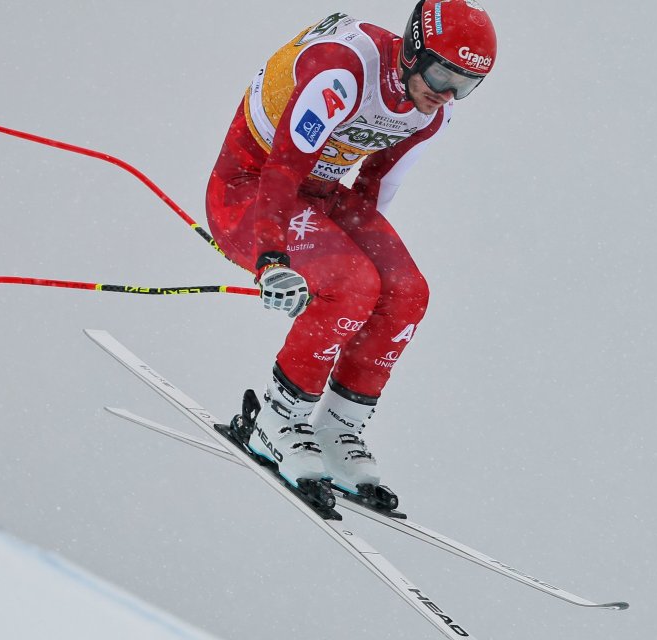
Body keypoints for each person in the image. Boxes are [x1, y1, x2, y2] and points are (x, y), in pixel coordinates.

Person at [204, 1, 497, 511]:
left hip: (317, 196)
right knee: (353, 283)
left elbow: (373, 194)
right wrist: (275, 258)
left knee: (407, 292)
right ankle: (276, 419)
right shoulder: (342, 70)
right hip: (250, 194)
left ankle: (339, 431)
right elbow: (279, 172)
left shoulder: (430, 116)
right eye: (441, 73)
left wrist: (347, 252)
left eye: (465, 85)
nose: (447, 93)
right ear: (412, 51)